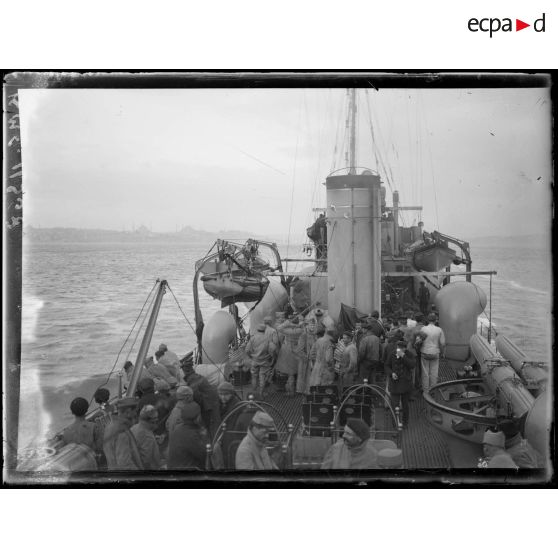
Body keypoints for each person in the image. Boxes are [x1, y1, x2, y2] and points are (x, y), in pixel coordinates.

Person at [103, 397, 143, 471]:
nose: (136, 414)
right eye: (135, 411)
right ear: (128, 412)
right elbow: (125, 465)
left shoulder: (110, 426)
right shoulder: (121, 432)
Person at [182, 362, 220, 438]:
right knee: (215, 424)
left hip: (209, 405)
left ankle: (212, 442)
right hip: (213, 401)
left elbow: (196, 396)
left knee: (210, 426)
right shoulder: (197, 376)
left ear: (185, 371)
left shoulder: (193, 379)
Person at [167, 402, 207, 470]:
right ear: (197, 418)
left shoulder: (178, 428)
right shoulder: (191, 435)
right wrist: (204, 438)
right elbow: (204, 455)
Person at [385, 341, 415, 427]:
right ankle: (395, 424)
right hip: (395, 384)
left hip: (406, 384)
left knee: (405, 405)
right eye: (398, 348)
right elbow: (386, 365)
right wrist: (391, 373)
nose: (398, 350)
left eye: (401, 348)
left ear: (405, 349)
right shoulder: (392, 354)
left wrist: (403, 356)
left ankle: (405, 423)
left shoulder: (409, 354)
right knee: (395, 405)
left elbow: (412, 365)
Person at [245, 323, 276, 399]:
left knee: (254, 377)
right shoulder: (267, 338)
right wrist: (272, 358)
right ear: (264, 330)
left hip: (254, 361)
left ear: (257, 330)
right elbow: (273, 349)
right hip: (265, 361)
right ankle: (261, 394)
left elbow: (247, 350)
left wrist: (251, 357)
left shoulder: (253, 338)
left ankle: (254, 393)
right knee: (262, 377)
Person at [276, 315, 304, 396]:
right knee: (294, 372)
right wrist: (298, 324)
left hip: (286, 351)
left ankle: (290, 391)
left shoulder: (287, 330)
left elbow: (279, 328)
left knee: (290, 373)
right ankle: (293, 389)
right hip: (297, 350)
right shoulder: (300, 330)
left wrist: (288, 323)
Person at [419, 313, 446, 393]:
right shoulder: (439, 330)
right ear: (436, 320)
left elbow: (419, 340)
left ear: (427, 320)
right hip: (435, 353)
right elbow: (443, 343)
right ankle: (433, 390)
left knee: (425, 373)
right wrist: (442, 353)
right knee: (434, 372)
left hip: (425, 352)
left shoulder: (423, 329)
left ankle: (426, 391)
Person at [130, 405, 161, 470]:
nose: (156, 422)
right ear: (151, 420)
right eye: (155, 419)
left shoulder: (134, 427)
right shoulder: (147, 436)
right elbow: (146, 461)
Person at [295, 317, 317, 395]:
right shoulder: (303, 335)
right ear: (307, 326)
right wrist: (307, 359)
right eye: (311, 325)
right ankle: (305, 392)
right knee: (305, 377)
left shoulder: (314, 335)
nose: (312, 327)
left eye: (314, 325)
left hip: (312, 360)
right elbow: (299, 350)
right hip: (305, 361)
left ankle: (309, 391)